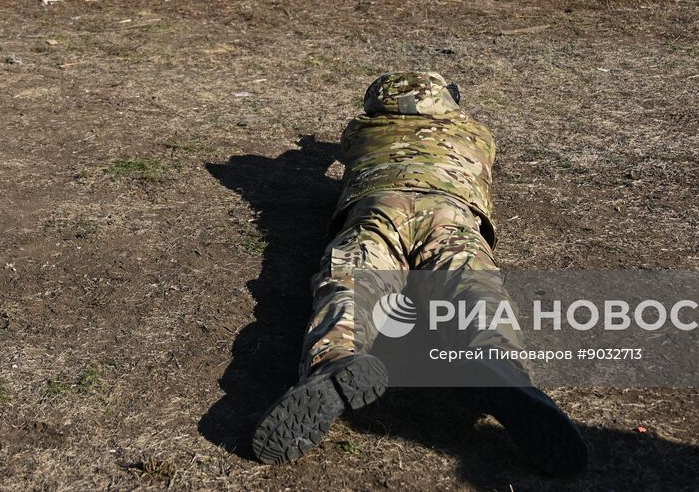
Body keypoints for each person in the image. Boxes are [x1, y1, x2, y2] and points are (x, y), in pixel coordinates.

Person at [251, 72, 589, 475]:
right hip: (451, 210)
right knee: (473, 286)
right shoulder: (477, 132)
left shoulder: (360, 130)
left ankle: (335, 361)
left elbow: (342, 151)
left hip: (377, 205)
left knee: (352, 284)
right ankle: (499, 363)